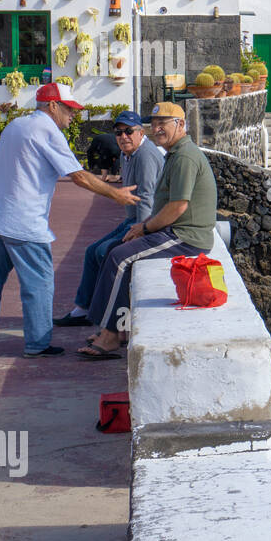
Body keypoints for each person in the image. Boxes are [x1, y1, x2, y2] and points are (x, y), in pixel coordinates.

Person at [0, 84, 140, 358]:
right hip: (24, 224)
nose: (73, 115)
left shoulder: (14, 126)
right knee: (39, 285)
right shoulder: (47, 130)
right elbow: (78, 176)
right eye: (69, 109)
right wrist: (115, 194)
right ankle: (38, 343)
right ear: (53, 105)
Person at [79, 102, 217, 360]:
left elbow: (178, 206)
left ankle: (109, 336)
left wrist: (144, 227)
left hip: (186, 237)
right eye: (153, 124)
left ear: (181, 125)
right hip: (172, 230)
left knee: (119, 258)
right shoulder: (175, 154)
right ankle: (118, 329)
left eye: (163, 123)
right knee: (112, 251)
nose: (157, 129)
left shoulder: (185, 157)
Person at [54, 111, 164, 328]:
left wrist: (140, 230)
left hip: (145, 221)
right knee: (91, 251)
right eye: (119, 132)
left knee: (106, 252)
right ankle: (83, 309)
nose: (124, 136)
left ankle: (108, 318)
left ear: (141, 133)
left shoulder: (145, 156)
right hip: (132, 219)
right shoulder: (127, 154)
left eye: (129, 131)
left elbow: (146, 197)